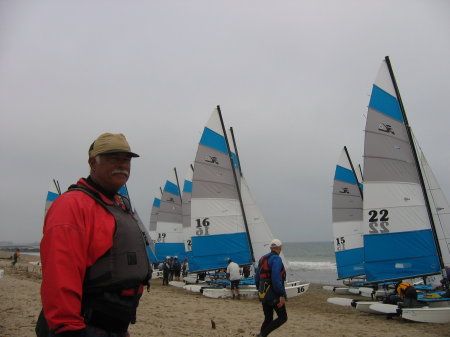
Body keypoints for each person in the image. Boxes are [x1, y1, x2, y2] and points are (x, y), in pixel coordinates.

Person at [37, 133, 152, 337]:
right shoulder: (72, 206)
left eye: (126, 160)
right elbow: (60, 275)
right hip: (80, 327)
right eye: (112, 158)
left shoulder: (119, 205)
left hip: (113, 327)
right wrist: (68, 330)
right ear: (93, 163)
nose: (121, 165)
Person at [254, 239, 287, 337]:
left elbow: (257, 277)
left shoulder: (262, 258)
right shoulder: (276, 259)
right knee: (283, 317)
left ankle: (261, 335)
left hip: (263, 292)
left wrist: (259, 290)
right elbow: (276, 279)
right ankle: (262, 335)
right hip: (273, 294)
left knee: (268, 318)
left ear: (270, 248)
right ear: (280, 248)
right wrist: (281, 294)